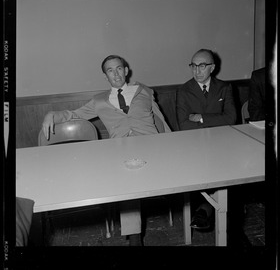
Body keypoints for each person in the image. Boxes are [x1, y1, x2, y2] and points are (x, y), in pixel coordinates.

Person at [42, 55, 171, 246]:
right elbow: (74, 114)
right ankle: (135, 238)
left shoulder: (144, 91)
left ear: (126, 71)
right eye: (110, 70)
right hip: (121, 152)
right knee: (129, 186)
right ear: (105, 76)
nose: (116, 74)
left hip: (151, 147)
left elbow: (161, 121)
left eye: (119, 68)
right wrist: (51, 114)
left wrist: (171, 144)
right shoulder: (99, 101)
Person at [176, 48, 237, 230]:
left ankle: (210, 214)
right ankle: (206, 209)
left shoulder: (225, 88)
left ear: (212, 67)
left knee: (231, 175)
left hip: (222, 144)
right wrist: (215, 121)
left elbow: (232, 118)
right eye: (193, 66)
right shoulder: (184, 90)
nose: (197, 71)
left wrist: (202, 118)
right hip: (194, 146)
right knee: (199, 173)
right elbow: (184, 125)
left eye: (202, 66)